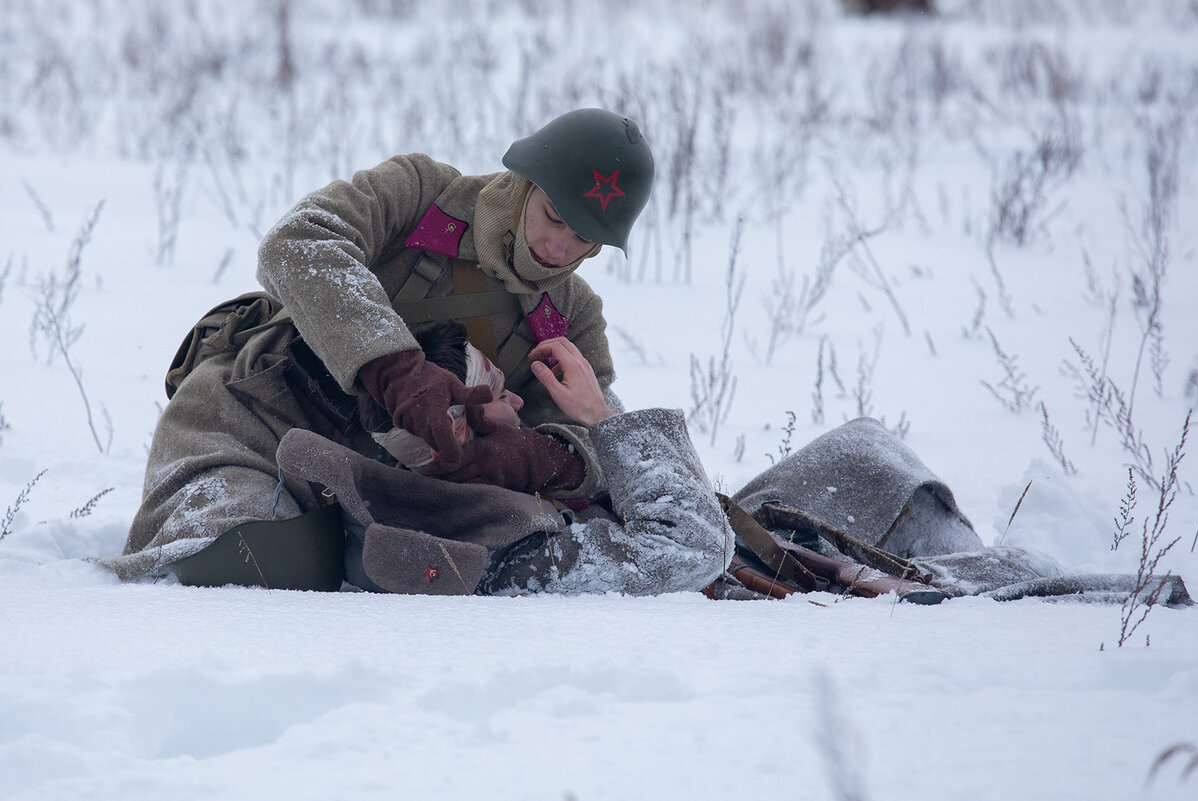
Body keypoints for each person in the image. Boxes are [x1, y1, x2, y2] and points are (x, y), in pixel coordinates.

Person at [108, 108, 656, 585]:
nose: (560, 247)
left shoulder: (571, 318)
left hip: (386, 496)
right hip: (256, 423)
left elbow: (596, 443)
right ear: (525, 183)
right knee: (239, 561)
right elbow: (297, 243)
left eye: (584, 238)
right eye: (554, 217)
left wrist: (526, 458)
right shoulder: (420, 193)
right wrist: (395, 369)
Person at [275, 320, 734, 596]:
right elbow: (695, 547)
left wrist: (566, 465)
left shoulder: (469, 505)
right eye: (496, 391)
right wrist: (601, 416)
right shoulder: (504, 548)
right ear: (454, 431)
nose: (517, 401)